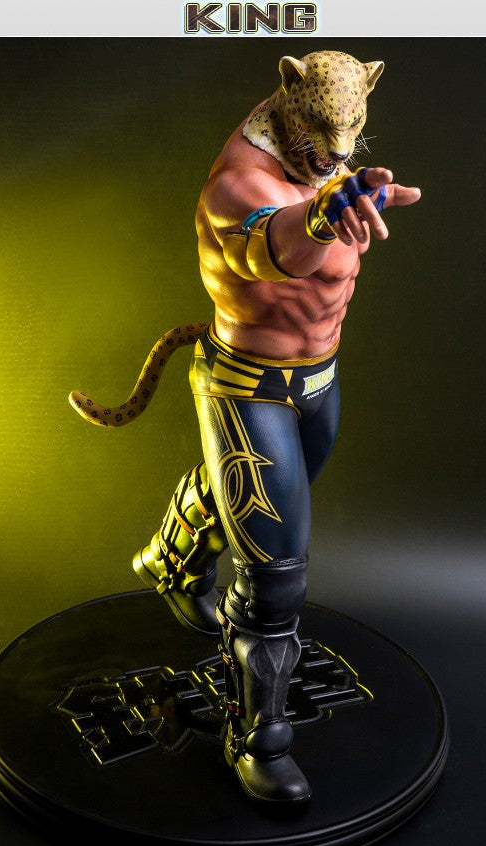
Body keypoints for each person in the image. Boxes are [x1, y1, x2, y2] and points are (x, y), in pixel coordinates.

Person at [131, 50, 421, 804]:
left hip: (319, 381)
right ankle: (260, 739)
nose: (340, 149)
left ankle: (171, 557)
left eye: (351, 130)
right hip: (246, 388)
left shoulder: (333, 162)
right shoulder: (239, 182)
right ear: (287, 92)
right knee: (275, 575)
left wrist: (345, 191)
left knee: (255, 508)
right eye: (325, 130)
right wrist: (323, 214)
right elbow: (274, 252)